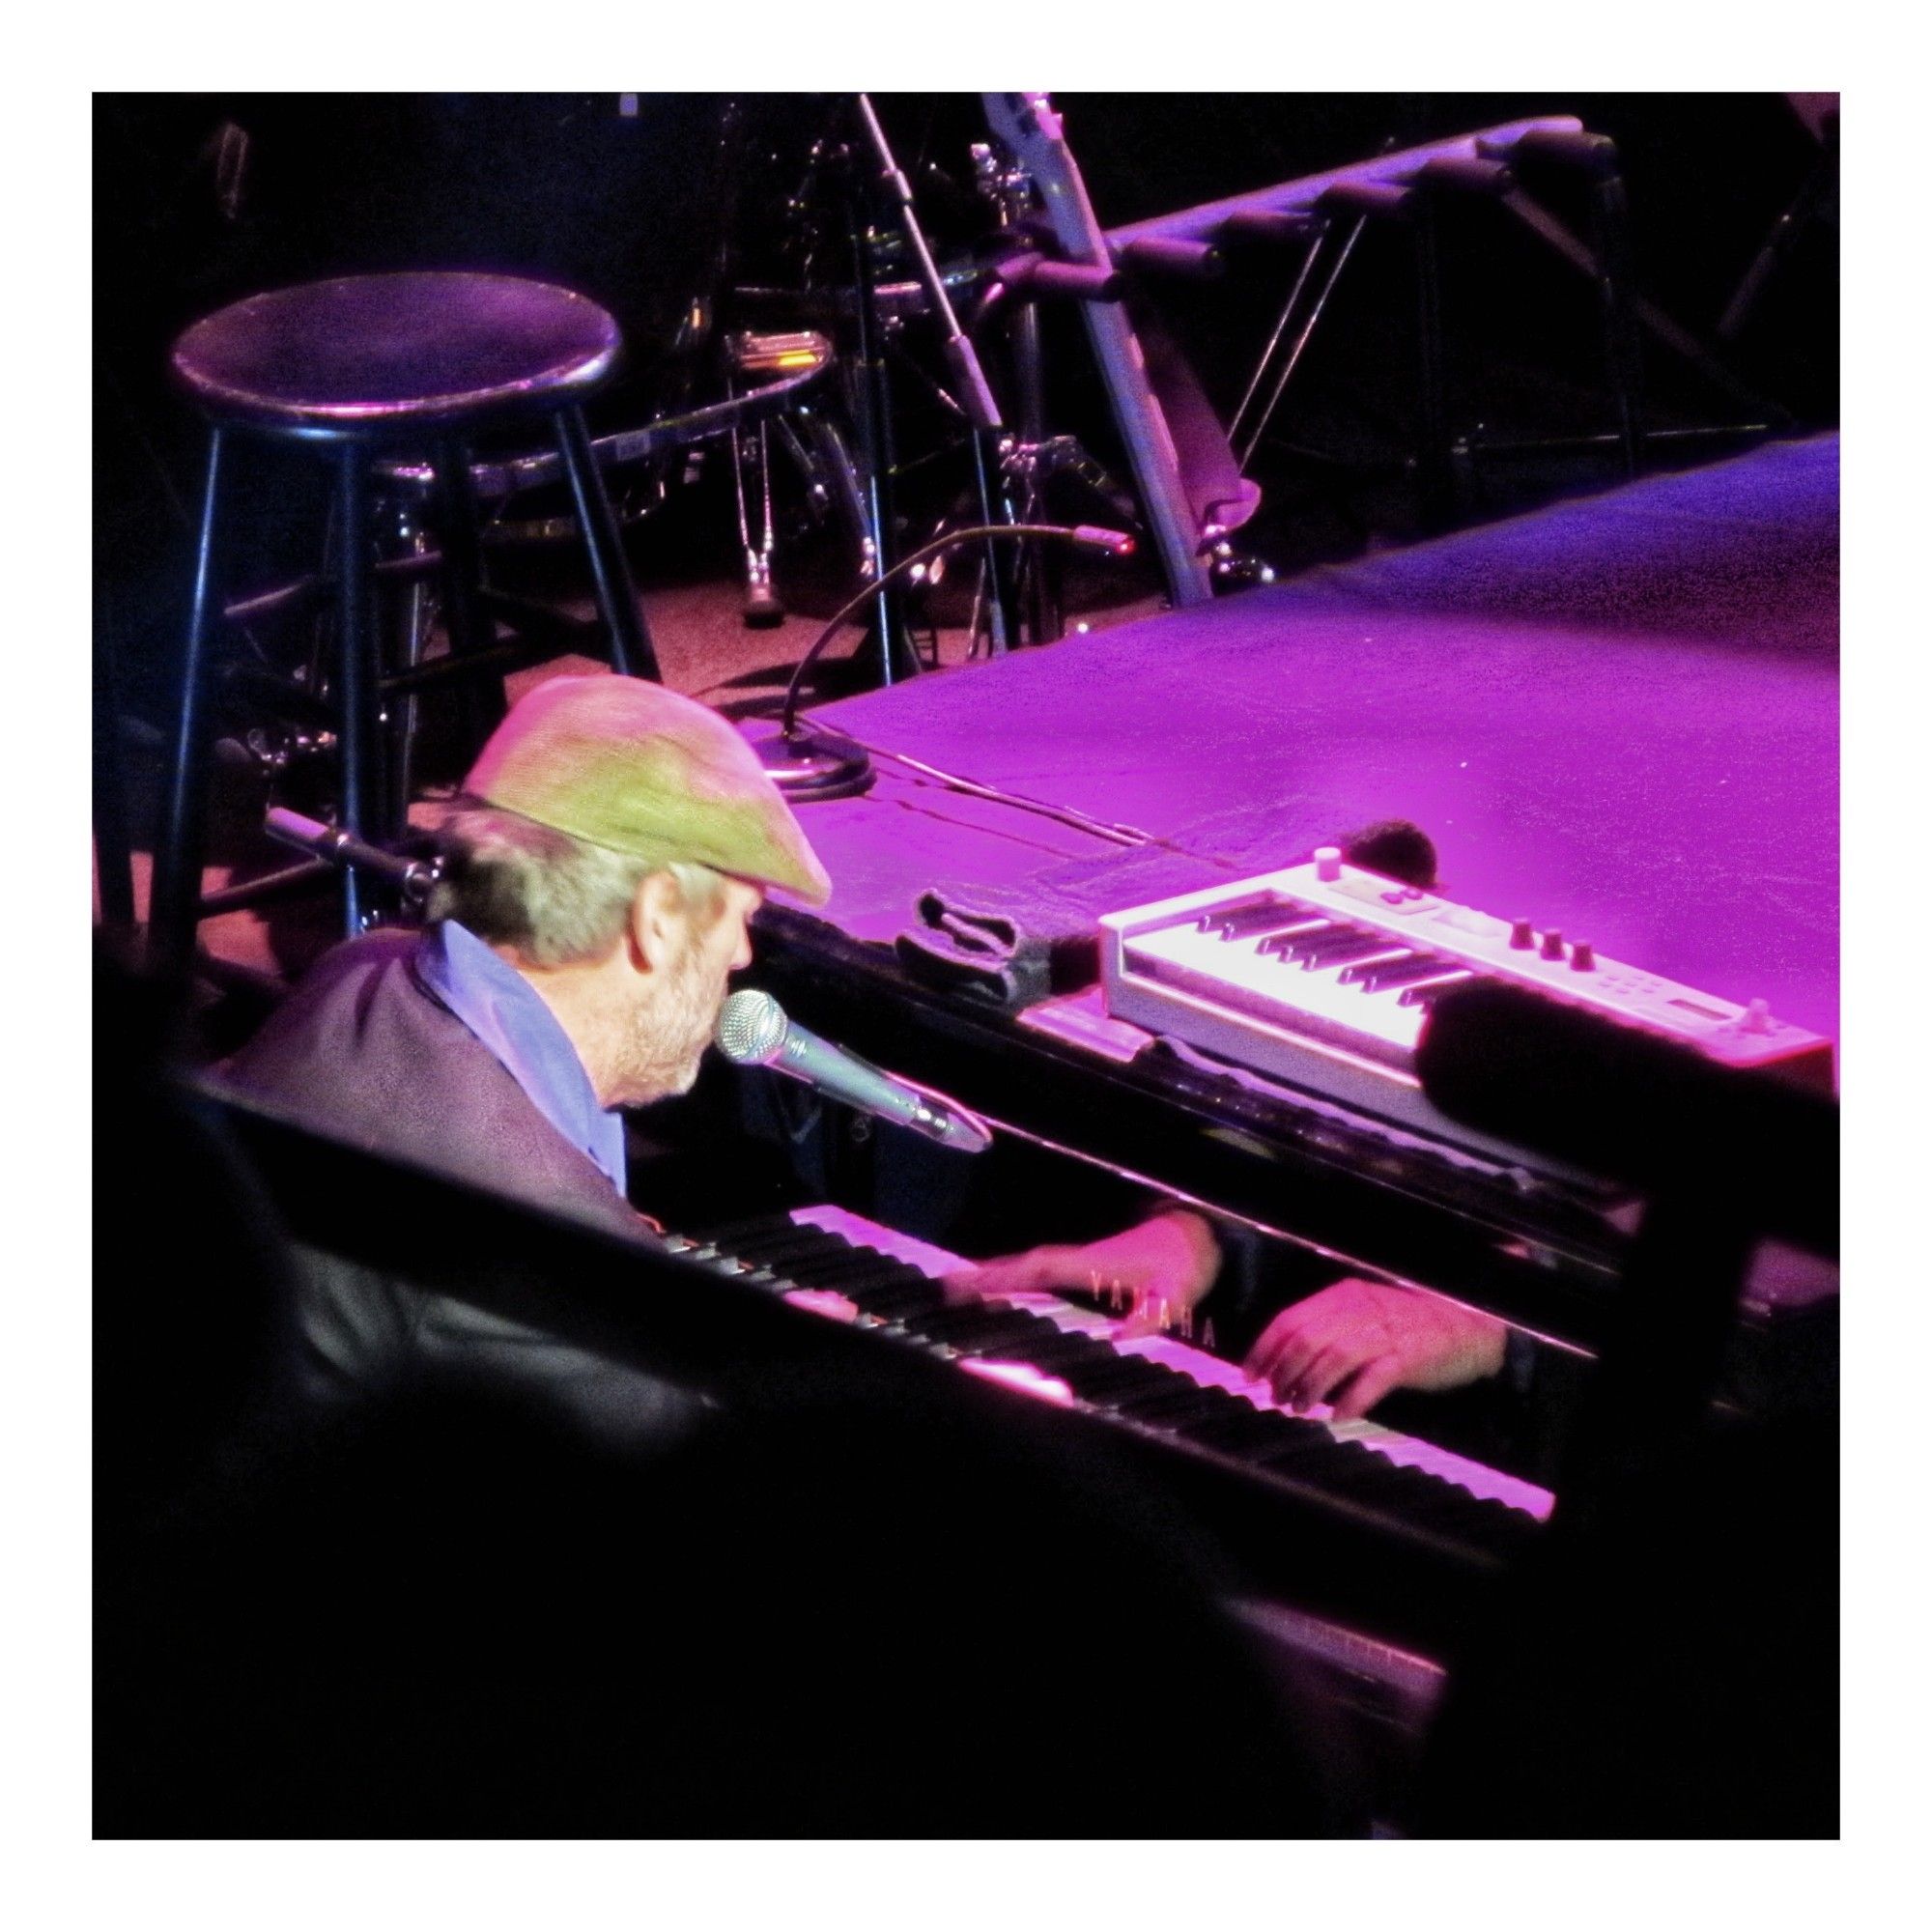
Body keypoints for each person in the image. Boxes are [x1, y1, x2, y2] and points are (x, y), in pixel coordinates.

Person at [216, 670, 832, 1441]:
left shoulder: (367, 970)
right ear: (660, 917)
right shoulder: (540, 1235)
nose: (741, 956)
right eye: (741, 918)